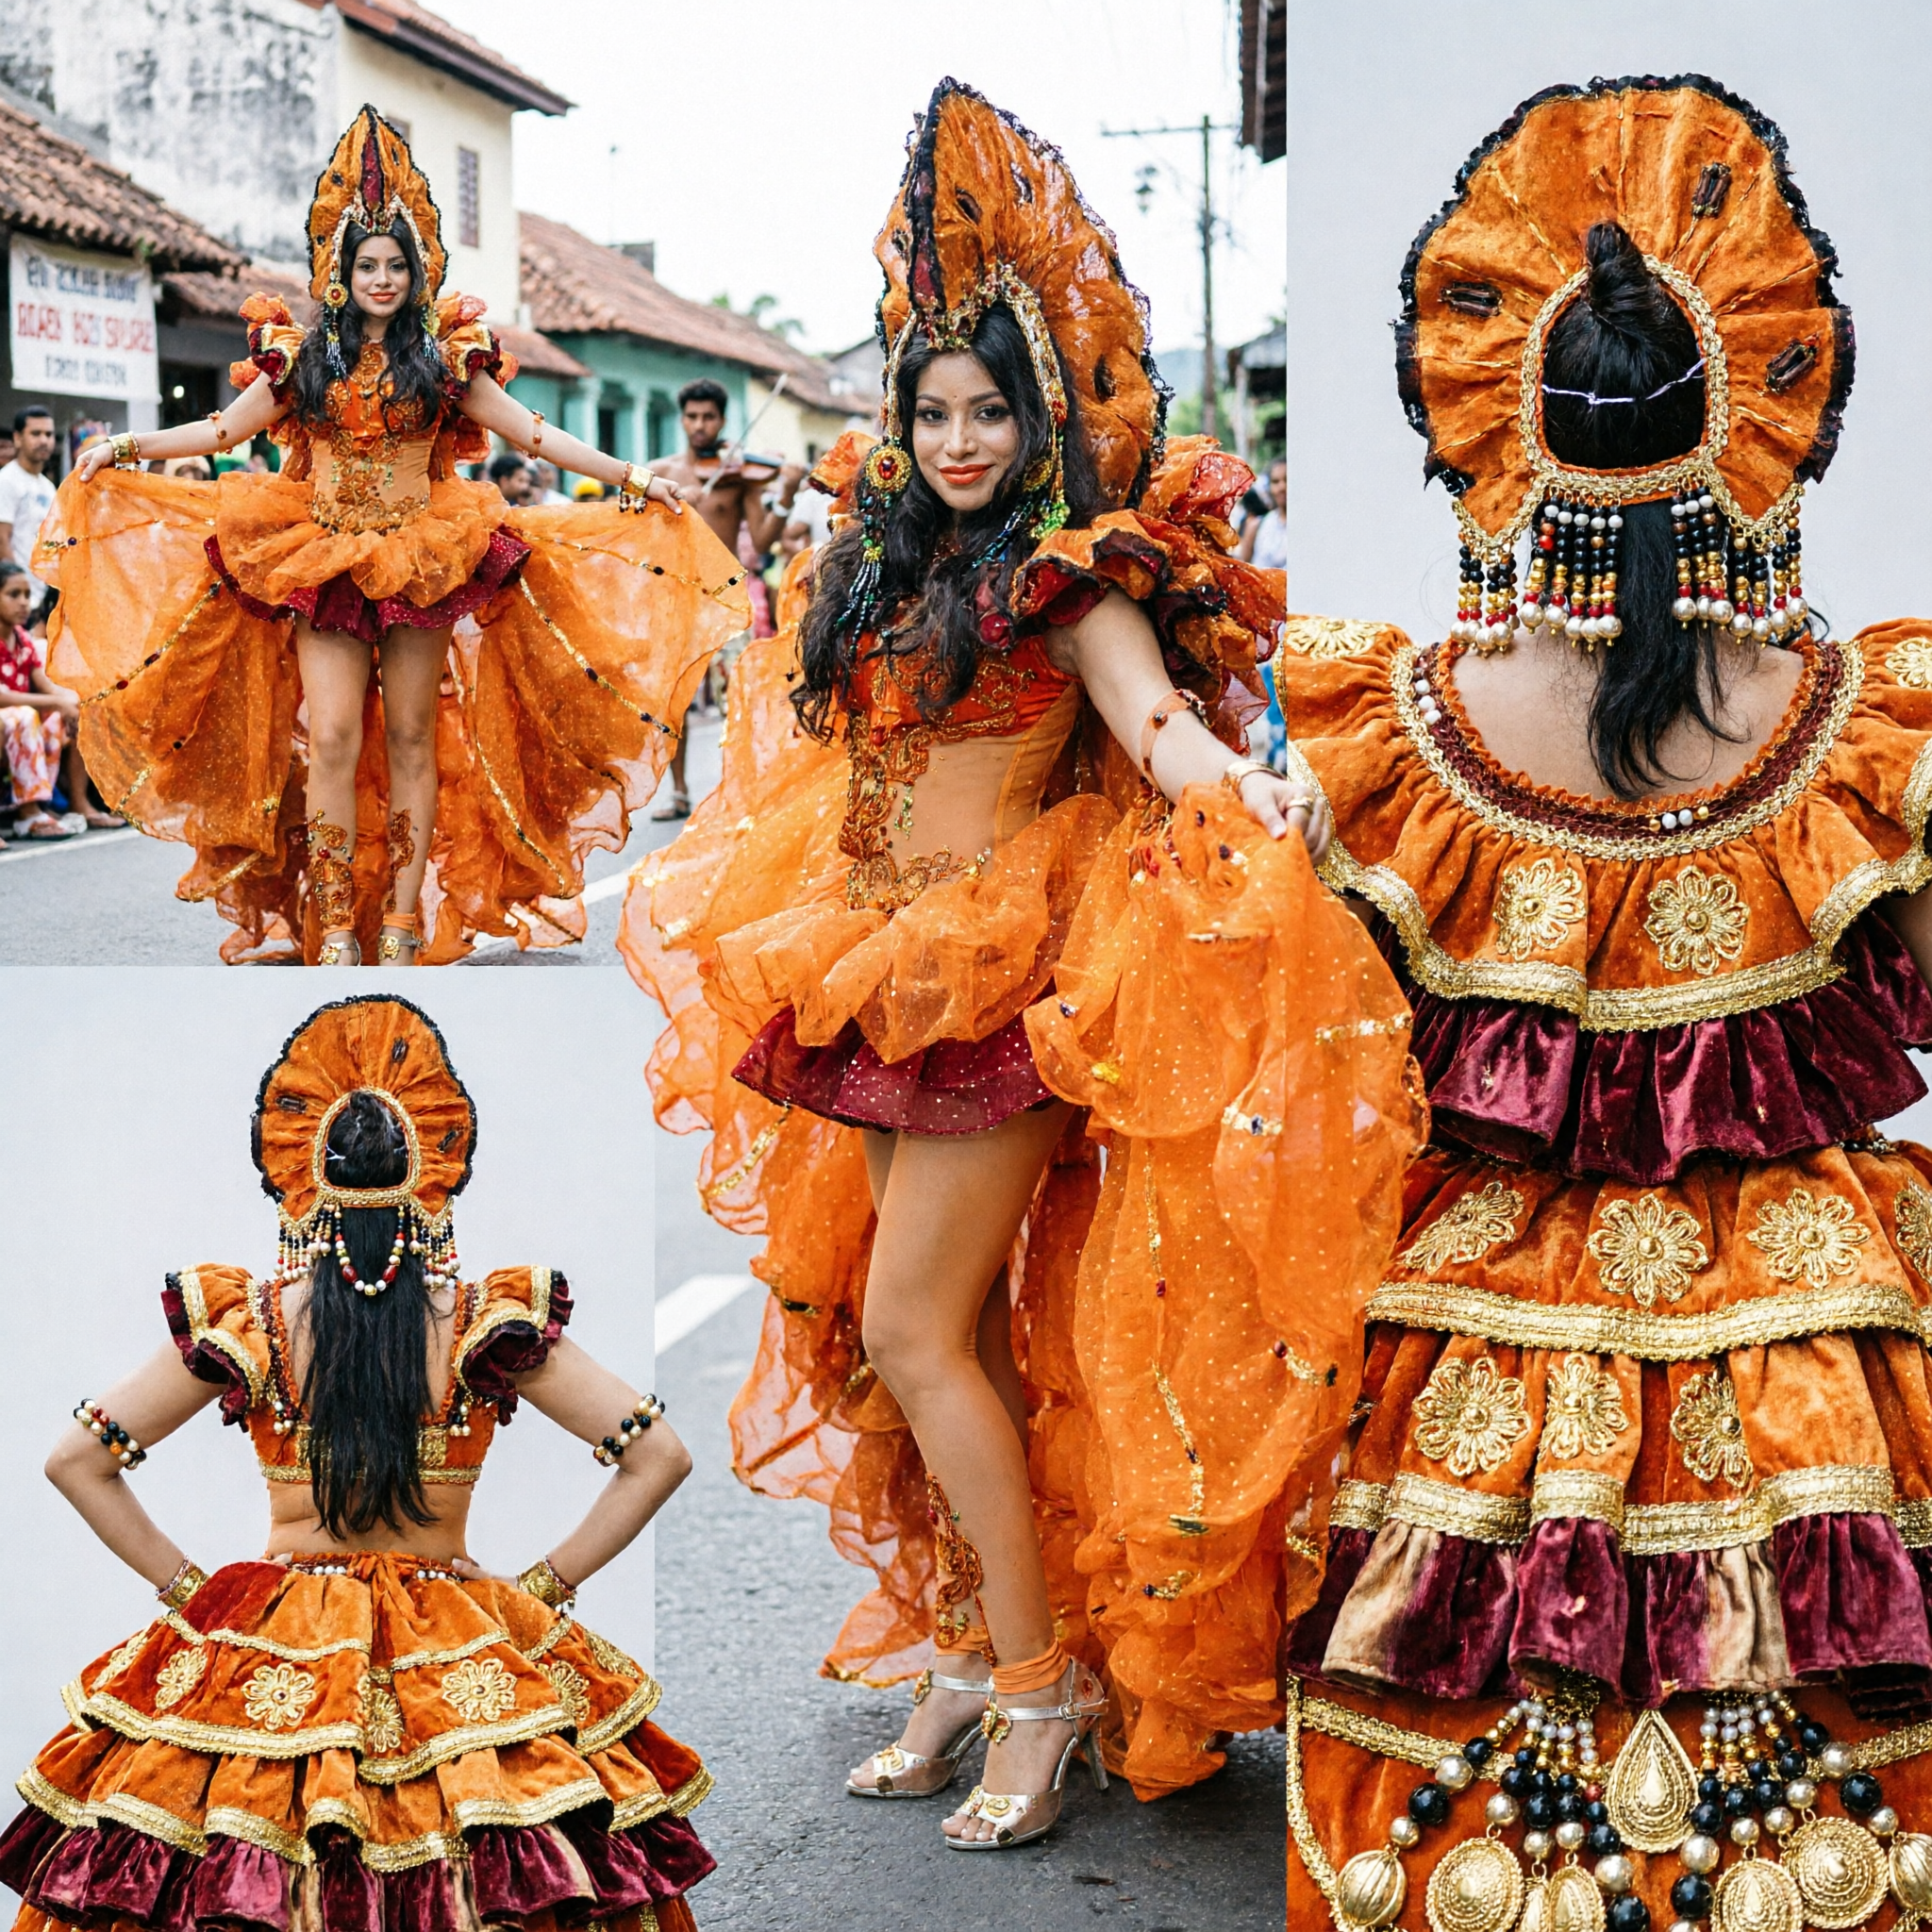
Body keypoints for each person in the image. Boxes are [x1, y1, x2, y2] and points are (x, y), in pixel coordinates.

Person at [622, 80, 1408, 1847]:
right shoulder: (874, 569)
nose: (960, 437)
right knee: (941, 1334)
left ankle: (1040, 1687)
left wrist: (1252, 785)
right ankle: (973, 1649)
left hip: (1008, 981)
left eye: (989, 409)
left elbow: (1155, 728)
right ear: (898, 420)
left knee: (909, 1326)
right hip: (867, 964)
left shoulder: (1070, 580)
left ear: (1036, 418)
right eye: (934, 409)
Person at [1271, 75, 1932, 1927]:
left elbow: (1329, 1067)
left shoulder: (1400, 741)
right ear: (1748, 439)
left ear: (1510, 438)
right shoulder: (1852, 730)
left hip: (1474, 1300)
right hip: (1803, 1297)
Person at [0, 996, 714, 1932]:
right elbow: (658, 1455)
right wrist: (542, 1588)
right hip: (455, 1629)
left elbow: (76, 1459)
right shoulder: (482, 1321)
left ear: (304, 1182)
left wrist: (192, 1592)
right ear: (433, 1181)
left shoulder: (254, 1321)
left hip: (275, 1637)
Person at [41, 108, 745, 964]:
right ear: (340, 275)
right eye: (367, 264)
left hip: (423, 559)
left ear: (418, 273)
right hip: (321, 556)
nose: (382, 278)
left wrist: (633, 477)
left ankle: (405, 924)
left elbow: (533, 433)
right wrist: (124, 447)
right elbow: (222, 431)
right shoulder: (301, 358)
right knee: (333, 738)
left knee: (413, 739)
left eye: (396, 265)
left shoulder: (446, 359)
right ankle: (338, 925)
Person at [645, 380, 804, 820]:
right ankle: (679, 793)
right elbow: (639, 531)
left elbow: (764, 541)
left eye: (708, 417)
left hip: (726, 597)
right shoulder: (658, 471)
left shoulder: (740, 476)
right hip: (674, 596)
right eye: (692, 416)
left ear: (722, 420)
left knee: (738, 695)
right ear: (682, 419)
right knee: (673, 703)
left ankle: (741, 790)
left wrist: (786, 494)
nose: (700, 425)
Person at [0, 559, 116, 838]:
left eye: (27, 595)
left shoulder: (21, 640)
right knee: (24, 715)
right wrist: (58, 703)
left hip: (15, 725)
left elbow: (46, 686)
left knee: (67, 713)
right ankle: (28, 813)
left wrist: (73, 703)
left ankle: (53, 804)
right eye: (13, 595)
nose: (24, 602)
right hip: (9, 722)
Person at [0, 406, 58, 603]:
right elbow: (2, 540)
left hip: (42, 596)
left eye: (48, 434)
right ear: (18, 438)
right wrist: (19, 591)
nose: (44, 441)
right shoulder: (6, 481)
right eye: (36, 433)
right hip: (17, 599)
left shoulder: (48, 488)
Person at [1237, 455, 1284, 569]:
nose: (1282, 487)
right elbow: (1243, 569)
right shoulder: (1257, 526)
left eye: (1287, 480)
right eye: (1275, 482)